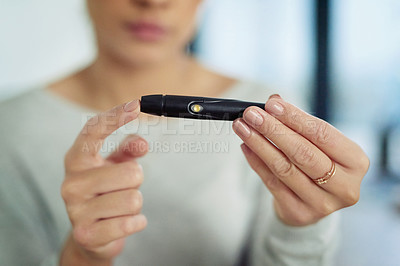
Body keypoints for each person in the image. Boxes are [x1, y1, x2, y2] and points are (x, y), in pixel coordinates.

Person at [0, 0, 369, 265]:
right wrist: (82, 257)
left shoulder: (268, 107)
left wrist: (305, 225)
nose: (153, 3)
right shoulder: (12, 126)